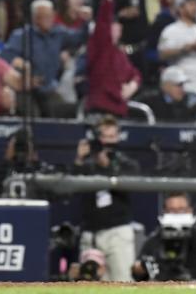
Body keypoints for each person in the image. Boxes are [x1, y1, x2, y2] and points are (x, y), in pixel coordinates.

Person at [72, 116, 141, 282]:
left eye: (112, 137)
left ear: (118, 138)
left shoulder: (127, 164)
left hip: (117, 232)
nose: (109, 142)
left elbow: (132, 183)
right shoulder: (87, 165)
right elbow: (71, 189)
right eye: (105, 137)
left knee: (123, 283)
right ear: (97, 139)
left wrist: (106, 166)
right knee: (89, 286)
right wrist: (79, 160)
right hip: (91, 233)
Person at [132, 192, 196, 282]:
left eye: (181, 210)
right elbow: (138, 273)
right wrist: (140, 267)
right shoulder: (154, 239)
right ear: (165, 212)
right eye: (172, 210)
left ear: (190, 211)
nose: (177, 214)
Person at [86, 0, 142, 117]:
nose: (118, 28)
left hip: (119, 110)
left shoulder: (120, 54)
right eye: (114, 25)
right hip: (100, 108)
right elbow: (103, 21)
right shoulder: (100, 46)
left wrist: (132, 85)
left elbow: (135, 73)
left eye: (119, 26)